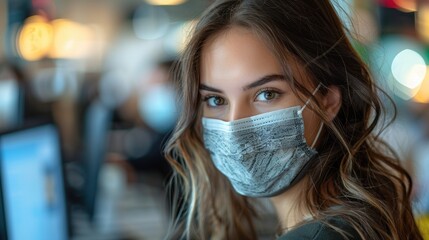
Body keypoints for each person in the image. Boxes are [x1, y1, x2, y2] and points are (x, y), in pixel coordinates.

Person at [163, 0, 423, 239]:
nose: (233, 125)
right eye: (216, 100)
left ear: (328, 101)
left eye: (267, 94)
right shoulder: (356, 221)